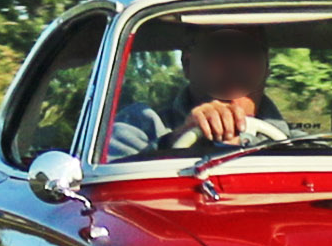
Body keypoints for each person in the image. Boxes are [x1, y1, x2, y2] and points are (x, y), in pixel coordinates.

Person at [108, 25, 289, 158]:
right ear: (188, 64)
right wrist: (173, 141)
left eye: (249, 51)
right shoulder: (141, 126)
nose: (236, 64)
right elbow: (110, 185)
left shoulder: (302, 144)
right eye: (219, 49)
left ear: (266, 69)